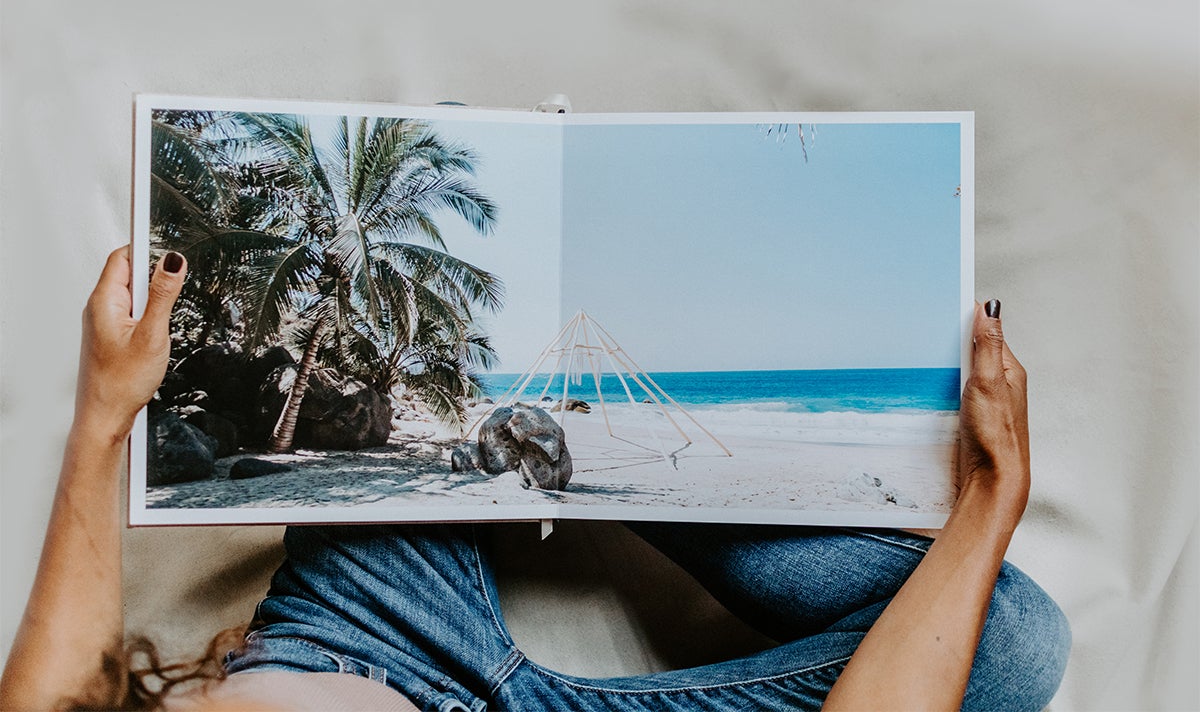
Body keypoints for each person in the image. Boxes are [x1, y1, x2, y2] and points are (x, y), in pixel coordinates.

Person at [0, 247, 1070, 711]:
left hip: (362, 629)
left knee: (464, 181)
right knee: (1013, 636)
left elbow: (53, 697)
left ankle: (544, 463)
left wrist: (105, 414)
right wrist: (991, 501)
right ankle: (580, 472)